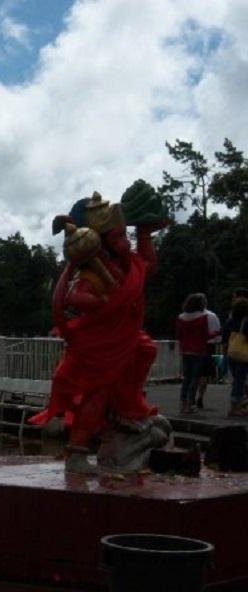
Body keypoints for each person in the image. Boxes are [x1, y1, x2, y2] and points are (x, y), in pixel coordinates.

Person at [29, 190, 166, 474]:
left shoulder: (123, 264)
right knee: (98, 394)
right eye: (118, 236)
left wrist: (144, 235)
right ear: (101, 242)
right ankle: (77, 454)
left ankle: (128, 408)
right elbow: (73, 296)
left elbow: (149, 266)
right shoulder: (93, 271)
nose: (125, 241)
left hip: (122, 337)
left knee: (145, 349)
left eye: (124, 234)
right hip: (101, 343)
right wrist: (99, 301)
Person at [176, 293, 218, 414]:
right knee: (195, 378)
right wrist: (216, 333)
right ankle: (190, 404)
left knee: (186, 378)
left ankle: (183, 403)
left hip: (185, 350)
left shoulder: (180, 317)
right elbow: (205, 336)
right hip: (199, 351)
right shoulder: (203, 317)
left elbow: (179, 335)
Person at [222, 296, 248, 417]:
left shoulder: (230, 321)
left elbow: (224, 338)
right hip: (243, 355)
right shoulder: (246, 321)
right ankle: (235, 407)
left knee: (237, 380)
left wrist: (225, 352)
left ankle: (236, 406)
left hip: (231, 353)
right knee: (240, 381)